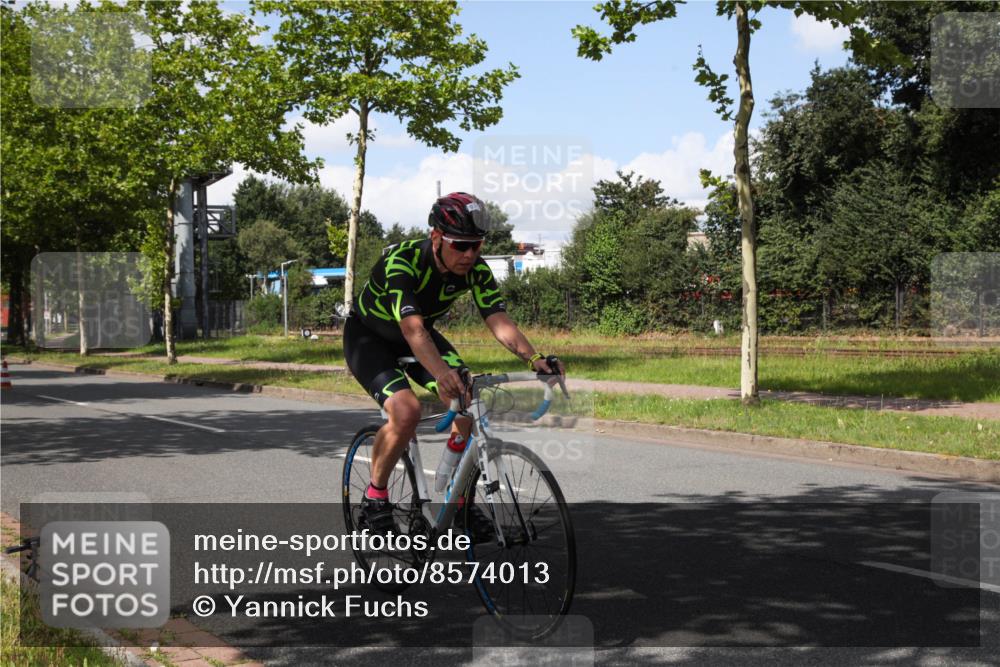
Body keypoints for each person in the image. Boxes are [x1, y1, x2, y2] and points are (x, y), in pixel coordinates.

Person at [343, 192, 565, 540]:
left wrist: (535, 359)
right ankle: (375, 498)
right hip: (369, 337)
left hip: (420, 337)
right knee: (406, 411)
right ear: (435, 237)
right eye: (461, 245)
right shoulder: (402, 261)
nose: (470, 255)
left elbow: (499, 320)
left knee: (468, 403)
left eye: (476, 246)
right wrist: (441, 374)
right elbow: (411, 328)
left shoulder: (475, 269)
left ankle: (454, 502)